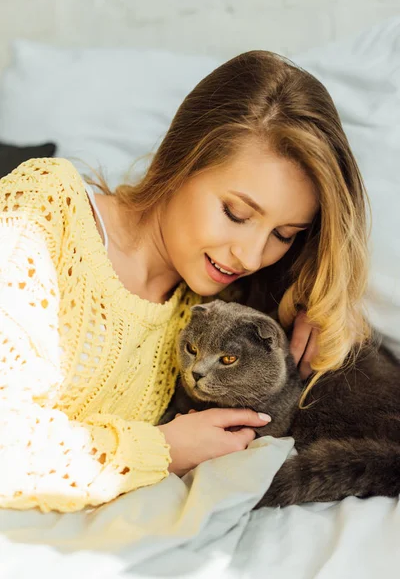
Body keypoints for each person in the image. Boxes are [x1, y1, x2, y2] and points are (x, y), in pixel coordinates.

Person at [0, 50, 371, 513]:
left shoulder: (220, 304)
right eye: (235, 213)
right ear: (184, 157)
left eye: (283, 234)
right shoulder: (44, 213)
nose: (251, 256)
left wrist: (332, 309)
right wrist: (161, 449)